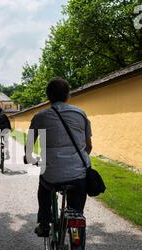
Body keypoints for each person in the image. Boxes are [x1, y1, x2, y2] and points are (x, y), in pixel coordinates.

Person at [25, 78, 93, 237]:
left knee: (44, 187)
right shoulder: (80, 114)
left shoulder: (40, 117)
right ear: (68, 95)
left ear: (48, 96)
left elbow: (28, 150)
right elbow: (88, 146)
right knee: (77, 211)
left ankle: (44, 223)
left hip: (51, 173)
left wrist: (31, 159)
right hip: (78, 174)